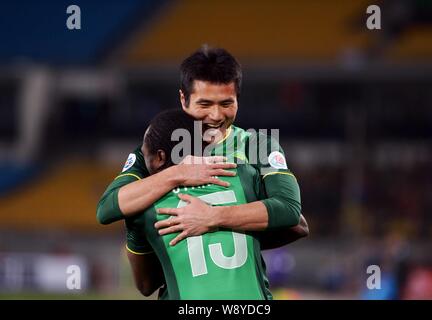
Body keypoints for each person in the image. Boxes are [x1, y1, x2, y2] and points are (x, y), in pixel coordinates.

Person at [96, 45, 307, 296]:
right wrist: (177, 173)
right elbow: (107, 208)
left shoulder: (256, 145)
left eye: (226, 103)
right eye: (204, 103)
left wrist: (214, 219)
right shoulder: (156, 149)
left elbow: (293, 215)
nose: (216, 115)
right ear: (183, 99)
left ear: (238, 98)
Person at [124, 109, 307, 299]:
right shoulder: (242, 175)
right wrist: (240, 234)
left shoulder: (143, 205)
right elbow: (298, 226)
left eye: (145, 157)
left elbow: (146, 285)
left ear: (160, 157)